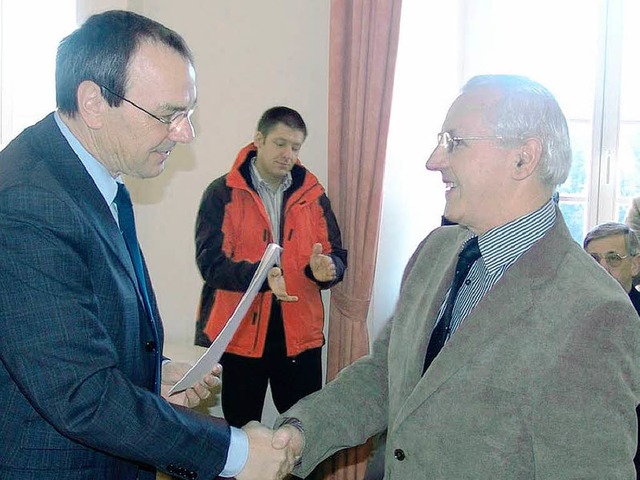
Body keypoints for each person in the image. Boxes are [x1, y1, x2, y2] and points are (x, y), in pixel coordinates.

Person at [272, 74, 640, 479]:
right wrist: (299, 435)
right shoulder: (436, 250)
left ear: (523, 158)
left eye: (455, 141)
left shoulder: (595, 314)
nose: (434, 160)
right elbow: (387, 376)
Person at [0, 10, 294, 480]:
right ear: (94, 102)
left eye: (189, 113)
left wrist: (145, 374)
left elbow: (71, 335)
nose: (185, 133)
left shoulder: (97, 176)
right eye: (168, 116)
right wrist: (236, 454)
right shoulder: (26, 203)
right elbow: (81, 395)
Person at [194, 106, 347, 428]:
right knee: (241, 429)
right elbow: (210, 264)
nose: (288, 154)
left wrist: (325, 269)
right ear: (259, 139)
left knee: (304, 429)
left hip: (299, 334)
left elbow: (337, 256)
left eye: (295, 147)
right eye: (280, 143)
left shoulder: (314, 196)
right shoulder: (222, 193)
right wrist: (263, 276)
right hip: (241, 335)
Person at [584, 222, 640, 476]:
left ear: (635, 265)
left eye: (613, 259)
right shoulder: (566, 313)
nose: (602, 269)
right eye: (593, 259)